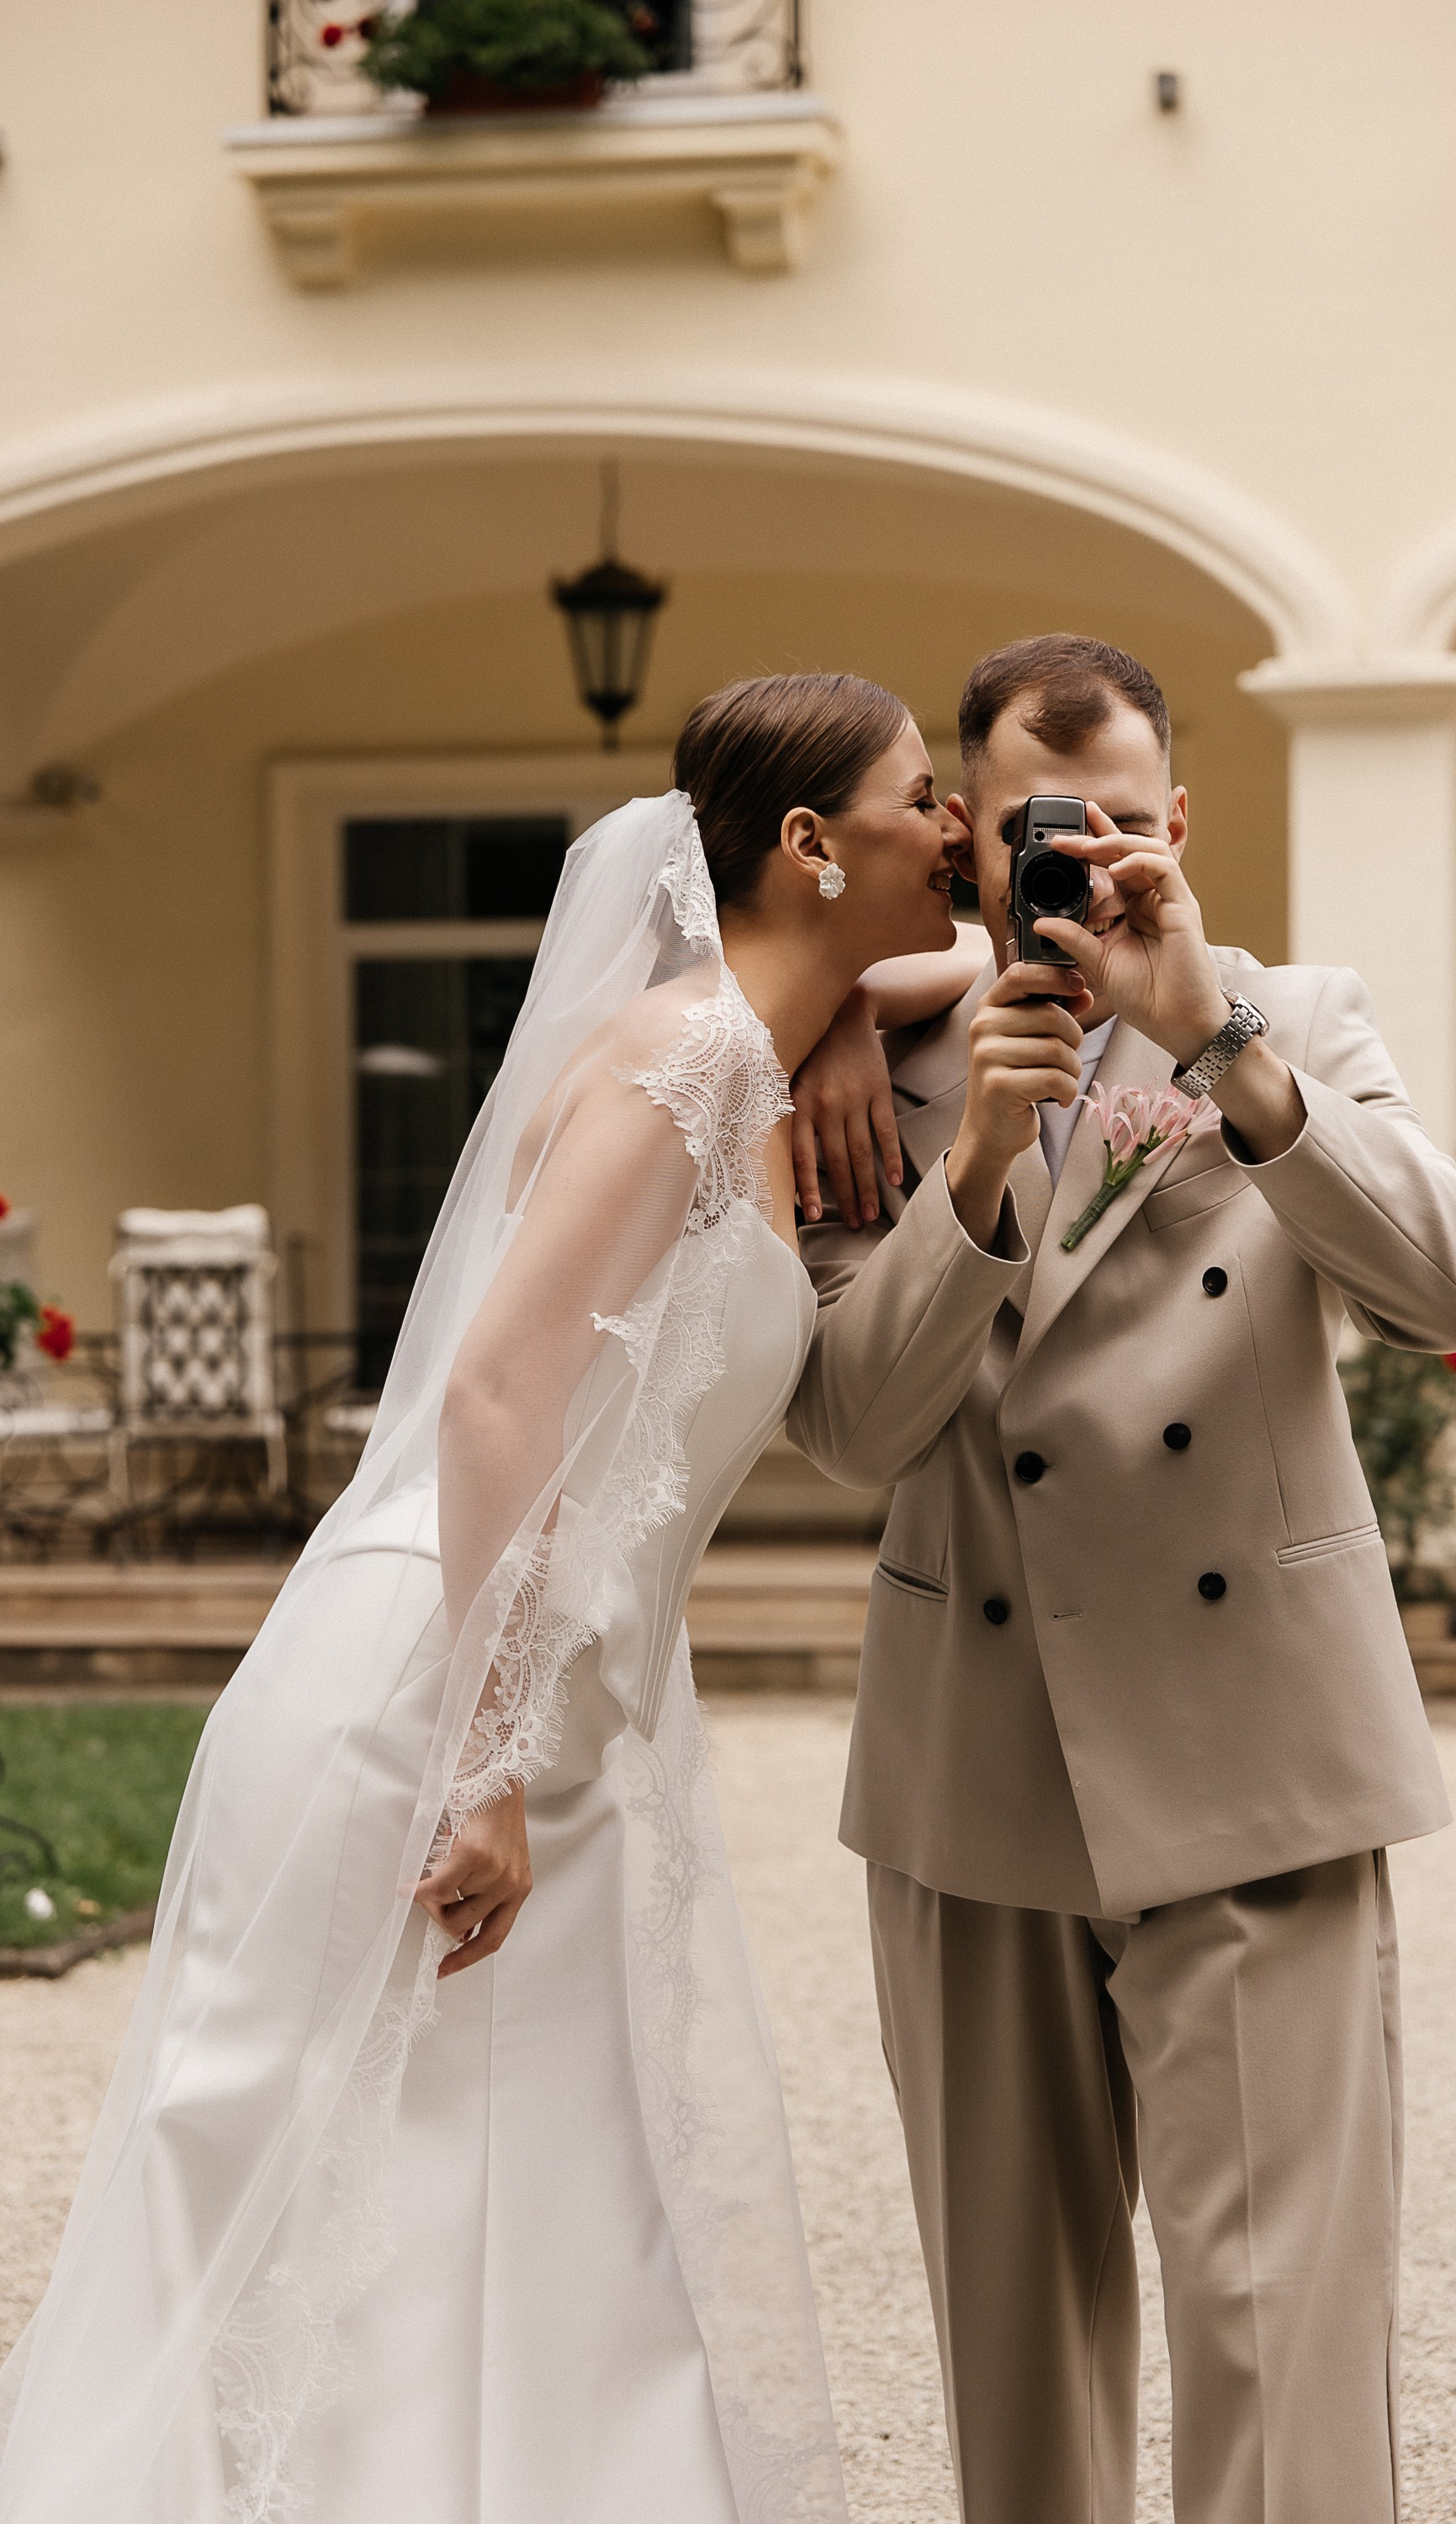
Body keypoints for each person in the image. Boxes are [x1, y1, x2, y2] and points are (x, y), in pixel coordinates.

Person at [0, 672, 986, 2524]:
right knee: (328, 2184)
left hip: (553, 1709)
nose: (958, 833)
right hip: (438, 1692)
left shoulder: (743, 1050)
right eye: (923, 797)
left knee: (522, 2193)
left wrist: (848, 995)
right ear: (802, 843)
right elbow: (498, 1396)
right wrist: (480, 1763)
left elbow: (981, 952)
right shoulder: (686, 1062)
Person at [785, 634, 1456, 2524]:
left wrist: (1224, 1046)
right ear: (958, 830)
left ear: (1178, 825)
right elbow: (853, 1433)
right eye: (1043, 825)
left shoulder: (1295, 1015)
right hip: (975, 1763)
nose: (1082, 861)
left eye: (1118, 822)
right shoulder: (864, 1067)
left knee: (1283, 2339)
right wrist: (979, 1172)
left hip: (1257, 1748)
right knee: (1016, 2361)